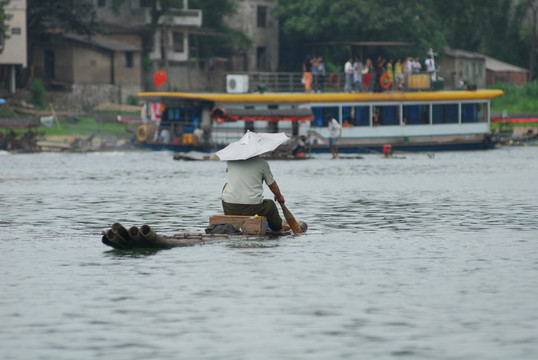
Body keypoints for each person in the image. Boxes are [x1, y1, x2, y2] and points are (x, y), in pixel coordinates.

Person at [221, 156, 285, 231]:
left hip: (230, 207)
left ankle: (231, 219)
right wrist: (279, 196)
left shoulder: (230, 161)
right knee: (270, 205)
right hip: (252, 208)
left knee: (226, 186)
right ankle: (277, 227)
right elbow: (272, 185)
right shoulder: (262, 163)